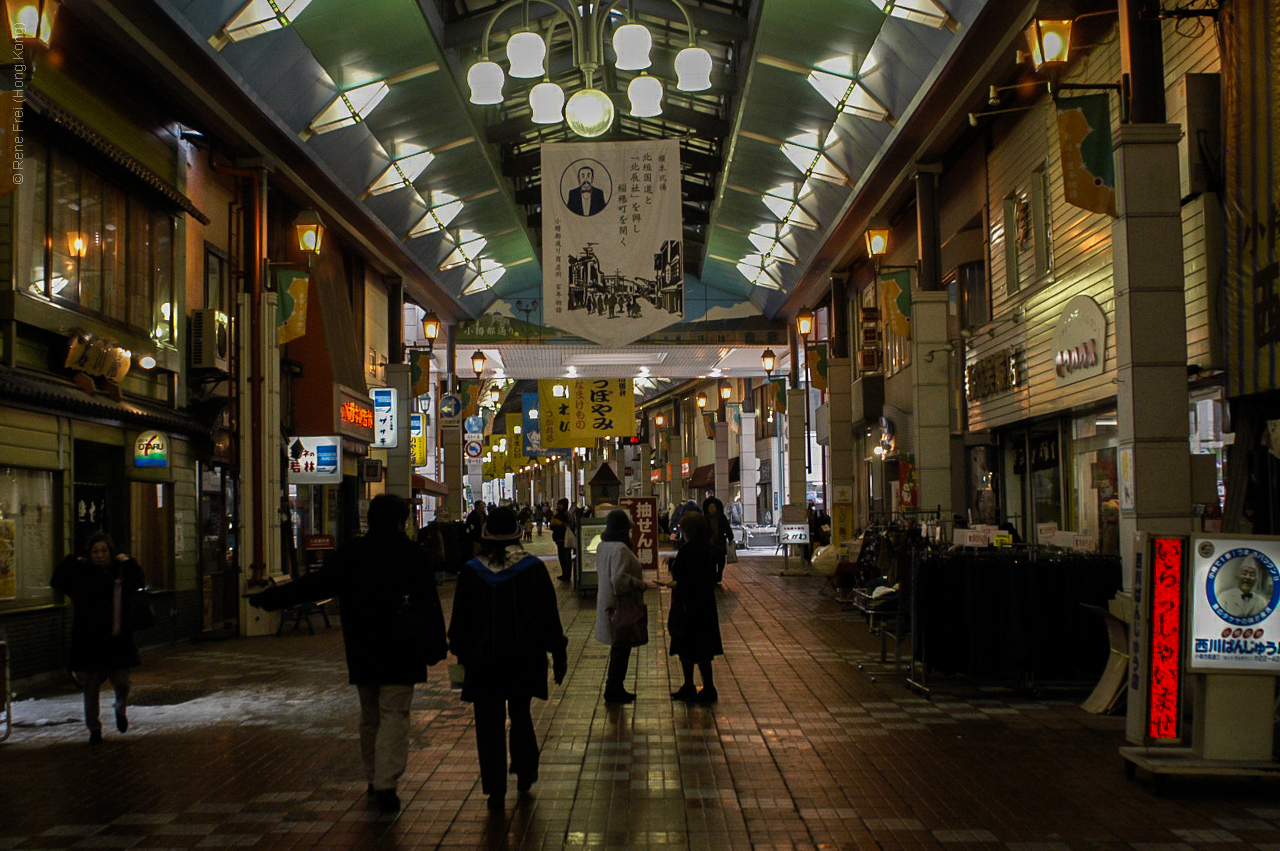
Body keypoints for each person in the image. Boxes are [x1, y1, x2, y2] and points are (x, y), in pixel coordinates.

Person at [248, 495, 446, 813]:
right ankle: (386, 782)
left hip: (363, 646)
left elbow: (316, 585)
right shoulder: (411, 553)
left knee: (370, 716)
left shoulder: (353, 552)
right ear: (400, 520)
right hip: (402, 647)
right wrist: (437, 646)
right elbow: (429, 603)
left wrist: (270, 599)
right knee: (394, 714)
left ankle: (373, 777)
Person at [448, 506, 568, 811]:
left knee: (487, 724)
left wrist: (460, 655)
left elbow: (459, 623)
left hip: (482, 661)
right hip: (523, 658)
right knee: (521, 715)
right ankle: (525, 772)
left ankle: (495, 789)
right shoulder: (533, 568)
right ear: (517, 532)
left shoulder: (472, 570)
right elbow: (548, 616)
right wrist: (558, 650)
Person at [50, 532, 147, 745]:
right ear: (89, 553)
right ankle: (94, 728)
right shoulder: (81, 575)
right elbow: (57, 581)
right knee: (91, 685)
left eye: (104, 550)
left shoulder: (119, 571)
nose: (100, 555)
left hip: (116, 639)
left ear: (111, 552)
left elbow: (139, 580)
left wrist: (128, 561)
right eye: (95, 551)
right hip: (90, 640)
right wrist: (71, 560)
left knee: (121, 682)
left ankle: (120, 707)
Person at [667, 512, 724, 703]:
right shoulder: (705, 549)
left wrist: (676, 584)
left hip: (689, 607)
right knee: (701, 649)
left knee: (689, 646)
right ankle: (705, 686)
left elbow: (686, 579)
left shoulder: (689, 550)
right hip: (704, 606)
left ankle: (695, 686)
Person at [594, 509, 649, 704]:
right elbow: (618, 579)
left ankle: (614, 686)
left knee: (618, 648)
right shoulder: (620, 549)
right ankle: (614, 689)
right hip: (620, 606)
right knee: (621, 649)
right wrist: (638, 583)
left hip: (607, 603)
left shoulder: (603, 546)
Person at [702, 496, 734, 583]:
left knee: (721, 561)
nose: (712, 509)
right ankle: (713, 578)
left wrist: (730, 538)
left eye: (713, 507)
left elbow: (727, 529)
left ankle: (719, 574)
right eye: (710, 507)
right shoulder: (705, 519)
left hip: (720, 544)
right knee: (711, 563)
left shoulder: (721, 517)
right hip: (710, 545)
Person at [550, 497, 576, 582]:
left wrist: (561, 524)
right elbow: (552, 525)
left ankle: (567, 574)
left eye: (560, 504)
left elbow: (571, 525)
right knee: (561, 557)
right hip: (559, 539)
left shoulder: (568, 514)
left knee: (566, 557)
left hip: (566, 539)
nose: (558, 506)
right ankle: (564, 573)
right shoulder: (557, 514)